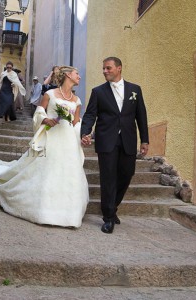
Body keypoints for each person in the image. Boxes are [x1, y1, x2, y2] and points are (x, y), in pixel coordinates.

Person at [0, 66, 89, 227]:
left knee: (69, 173)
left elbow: (76, 122)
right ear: (68, 75)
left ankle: (69, 215)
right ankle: (43, 210)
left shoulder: (77, 100)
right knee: (49, 169)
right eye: (77, 74)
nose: (79, 77)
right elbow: (39, 112)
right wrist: (46, 120)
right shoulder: (50, 94)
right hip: (52, 136)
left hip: (68, 140)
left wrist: (84, 136)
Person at [81, 57, 149, 234]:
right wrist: (85, 132)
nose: (105, 71)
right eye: (103, 68)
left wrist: (145, 140)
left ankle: (113, 206)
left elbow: (141, 115)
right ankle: (108, 216)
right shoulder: (98, 92)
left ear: (119, 68)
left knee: (127, 173)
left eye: (108, 68)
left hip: (128, 139)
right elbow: (90, 115)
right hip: (106, 140)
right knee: (108, 178)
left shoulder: (135, 90)